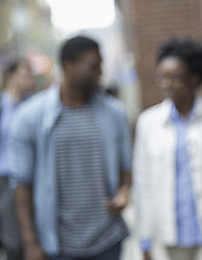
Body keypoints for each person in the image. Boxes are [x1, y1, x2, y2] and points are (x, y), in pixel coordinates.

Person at [10, 36, 132, 260]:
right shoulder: (30, 117)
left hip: (108, 240)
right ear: (69, 66)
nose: (100, 72)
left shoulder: (114, 113)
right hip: (58, 245)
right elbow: (22, 184)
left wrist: (123, 193)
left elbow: (126, 166)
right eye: (93, 66)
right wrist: (31, 242)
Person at [133, 38, 202, 260]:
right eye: (162, 77)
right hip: (170, 235)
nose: (167, 84)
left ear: (195, 78)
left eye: (175, 78)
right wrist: (145, 238)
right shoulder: (148, 123)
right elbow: (143, 184)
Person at [0, 58, 35, 260]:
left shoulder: (33, 106)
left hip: (29, 178)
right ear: (11, 77)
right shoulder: (3, 106)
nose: (30, 79)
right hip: (5, 179)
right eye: (25, 74)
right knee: (12, 239)